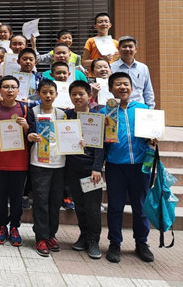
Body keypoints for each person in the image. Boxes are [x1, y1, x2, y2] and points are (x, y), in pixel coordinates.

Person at [101, 72, 155, 264]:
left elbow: (151, 135)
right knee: (115, 207)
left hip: (140, 166)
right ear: (110, 89)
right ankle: (115, 243)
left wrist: (154, 138)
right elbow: (98, 140)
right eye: (118, 84)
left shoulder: (143, 110)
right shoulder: (105, 111)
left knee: (140, 207)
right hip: (115, 166)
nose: (122, 87)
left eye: (125, 84)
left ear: (132, 88)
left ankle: (142, 242)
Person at [0, 75, 36, 247]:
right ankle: (2, 225)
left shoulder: (25, 109)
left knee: (17, 196)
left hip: (19, 161)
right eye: (6, 87)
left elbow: (32, 135)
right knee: (1, 196)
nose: (9, 90)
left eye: (13, 87)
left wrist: (26, 127)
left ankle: (15, 226)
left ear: (18, 91)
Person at [25, 79, 66, 256]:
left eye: (51, 92)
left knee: (55, 201)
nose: (48, 96)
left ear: (56, 94)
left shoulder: (62, 114)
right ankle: (41, 237)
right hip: (39, 163)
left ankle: (51, 235)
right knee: (41, 200)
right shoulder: (33, 112)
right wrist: (30, 136)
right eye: (44, 92)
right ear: (38, 94)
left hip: (59, 163)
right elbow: (27, 133)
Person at [65, 80, 104, 259]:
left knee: (92, 207)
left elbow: (101, 146)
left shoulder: (97, 117)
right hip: (72, 168)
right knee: (79, 205)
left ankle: (94, 240)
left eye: (81, 94)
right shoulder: (67, 116)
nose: (77, 97)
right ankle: (84, 235)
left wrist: (97, 168)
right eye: (74, 94)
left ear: (90, 96)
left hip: (91, 170)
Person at [110, 36, 155, 109]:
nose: (127, 49)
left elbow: (148, 91)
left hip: (139, 108)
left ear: (136, 49)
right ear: (118, 49)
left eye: (130, 46)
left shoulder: (143, 68)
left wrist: (150, 108)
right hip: (118, 108)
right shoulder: (111, 68)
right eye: (124, 46)